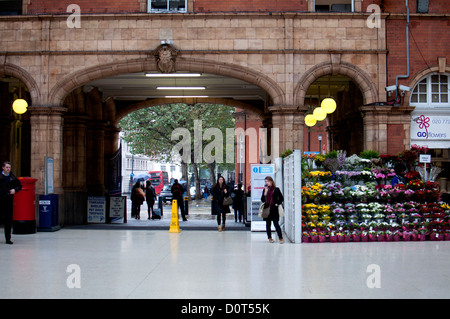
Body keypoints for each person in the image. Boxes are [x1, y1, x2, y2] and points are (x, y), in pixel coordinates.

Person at [0, 161, 22, 245]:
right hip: (0, 199)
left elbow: (19, 186)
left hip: (8, 200)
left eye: (9, 167)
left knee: (8, 220)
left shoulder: (12, 177)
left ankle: (8, 239)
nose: (8, 169)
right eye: (6, 167)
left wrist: (15, 190)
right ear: (3, 168)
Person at [261, 176, 284, 244]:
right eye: (265, 181)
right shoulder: (265, 190)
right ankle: (270, 238)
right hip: (267, 208)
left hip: (274, 209)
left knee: (276, 224)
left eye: (267, 181)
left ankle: (280, 238)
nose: (266, 183)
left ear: (271, 181)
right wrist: (265, 193)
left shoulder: (276, 189)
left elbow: (281, 198)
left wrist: (277, 203)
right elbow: (262, 200)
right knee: (268, 224)